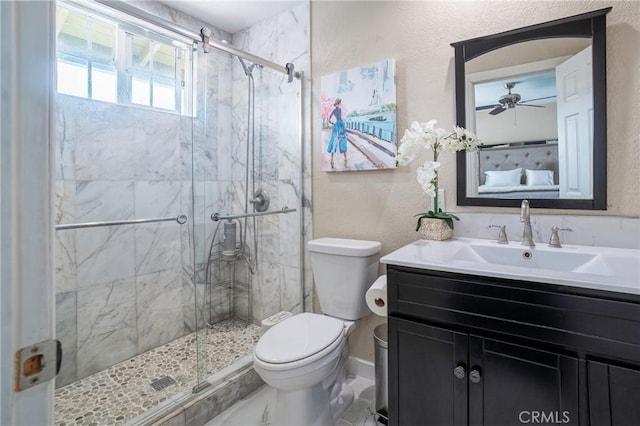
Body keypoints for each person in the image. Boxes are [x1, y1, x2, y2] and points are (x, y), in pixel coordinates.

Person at [326, 98, 348, 168]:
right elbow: (341, 117)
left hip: (336, 126)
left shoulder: (334, 111)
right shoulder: (340, 110)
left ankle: (332, 161)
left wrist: (333, 123)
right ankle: (345, 160)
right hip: (341, 125)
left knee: (333, 141)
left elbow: (329, 120)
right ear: (339, 104)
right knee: (342, 141)